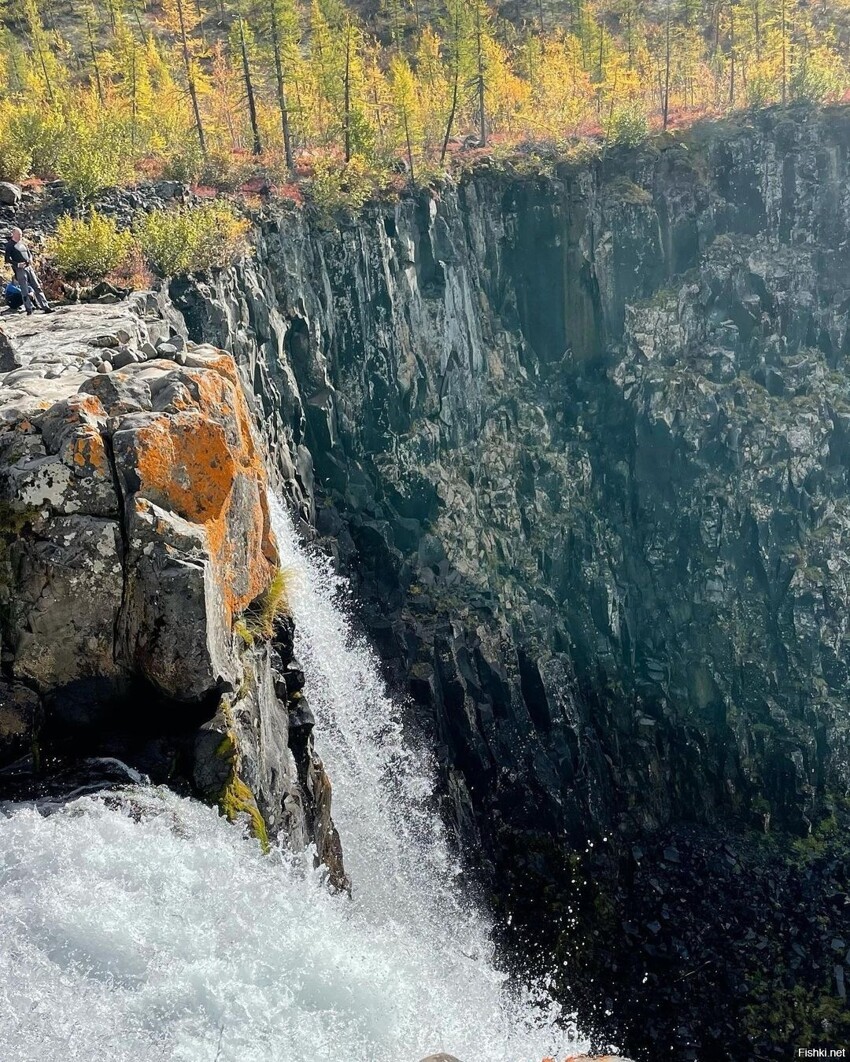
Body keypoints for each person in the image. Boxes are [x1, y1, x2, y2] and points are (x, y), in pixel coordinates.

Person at [4, 227, 52, 315]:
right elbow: (7, 259)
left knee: (37, 287)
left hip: (28, 267)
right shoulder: (10, 245)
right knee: (24, 289)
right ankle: (29, 309)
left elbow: (29, 253)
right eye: (19, 235)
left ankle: (45, 306)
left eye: (21, 234)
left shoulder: (22, 243)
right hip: (20, 269)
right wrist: (17, 264)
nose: (20, 236)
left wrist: (30, 259)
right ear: (14, 234)